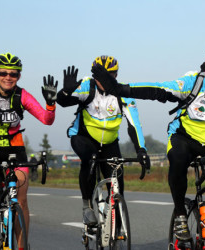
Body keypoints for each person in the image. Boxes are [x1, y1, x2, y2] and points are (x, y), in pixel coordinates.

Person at [91, 42, 205, 240]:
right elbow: (158, 90)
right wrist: (120, 89)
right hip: (184, 138)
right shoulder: (192, 83)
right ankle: (181, 214)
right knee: (178, 159)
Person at [0, 52, 58, 248]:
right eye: (3, 73)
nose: (8, 77)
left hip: (15, 149)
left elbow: (46, 120)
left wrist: (51, 104)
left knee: (21, 200)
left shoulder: (22, 96)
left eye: (14, 74)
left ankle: (21, 246)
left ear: (19, 76)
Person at [56, 55, 150, 226]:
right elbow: (63, 102)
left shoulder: (123, 95)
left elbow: (134, 125)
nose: (106, 79)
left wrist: (141, 150)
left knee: (118, 186)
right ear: (95, 75)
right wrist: (65, 92)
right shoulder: (87, 86)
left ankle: (116, 224)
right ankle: (87, 207)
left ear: (116, 75)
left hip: (109, 143)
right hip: (83, 138)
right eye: (102, 75)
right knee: (90, 158)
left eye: (111, 75)